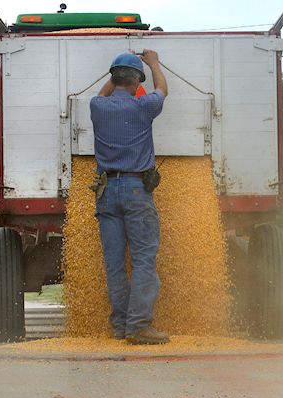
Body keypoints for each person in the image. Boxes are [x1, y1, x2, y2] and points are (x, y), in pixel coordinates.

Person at [89, 50, 169, 345]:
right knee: (144, 260)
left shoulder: (97, 106)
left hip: (107, 192)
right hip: (136, 190)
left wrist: (120, 70)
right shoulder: (144, 106)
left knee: (114, 265)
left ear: (112, 78)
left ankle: (121, 325)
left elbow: (105, 92)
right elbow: (163, 90)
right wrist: (153, 62)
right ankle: (138, 326)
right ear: (137, 83)